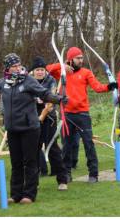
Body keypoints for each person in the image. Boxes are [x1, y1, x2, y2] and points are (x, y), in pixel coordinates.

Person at [0, 53, 67, 204]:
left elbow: (44, 94)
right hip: (12, 129)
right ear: (7, 68)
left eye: (19, 65)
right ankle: (15, 194)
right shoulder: (4, 81)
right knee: (16, 163)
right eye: (13, 66)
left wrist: (59, 98)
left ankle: (29, 194)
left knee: (30, 161)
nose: (17, 68)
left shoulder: (28, 80)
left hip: (29, 128)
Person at [46, 47, 117, 184]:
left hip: (83, 113)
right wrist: (62, 66)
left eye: (81, 58)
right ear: (70, 59)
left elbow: (96, 87)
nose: (80, 60)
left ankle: (93, 174)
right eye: (77, 58)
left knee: (88, 143)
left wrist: (109, 87)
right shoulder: (62, 72)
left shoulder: (86, 72)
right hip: (66, 114)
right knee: (66, 145)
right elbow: (47, 69)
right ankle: (67, 173)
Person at [29, 56, 68, 190]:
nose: (40, 72)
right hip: (34, 118)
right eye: (37, 70)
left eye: (42, 69)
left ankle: (62, 180)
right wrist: (36, 100)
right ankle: (33, 182)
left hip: (49, 118)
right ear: (33, 71)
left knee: (53, 148)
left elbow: (54, 94)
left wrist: (51, 105)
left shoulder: (51, 80)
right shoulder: (28, 81)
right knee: (33, 149)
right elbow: (24, 98)